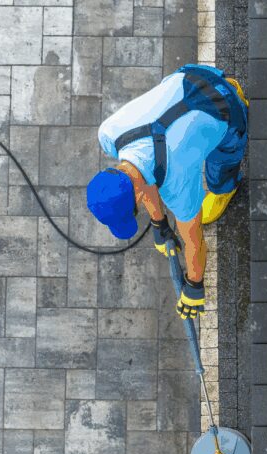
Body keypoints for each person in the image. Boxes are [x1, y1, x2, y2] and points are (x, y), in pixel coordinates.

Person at [86, 64, 249, 319]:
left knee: (220, 175)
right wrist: (159, 224)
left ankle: (224, 188)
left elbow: (194, 241)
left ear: (138, 197)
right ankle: (227, 84)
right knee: (157, 161)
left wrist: (194, 285)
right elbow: (141, 175)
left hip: (226, 111)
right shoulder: (110, 134)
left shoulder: (177, 185)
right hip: (189, 75)